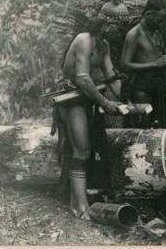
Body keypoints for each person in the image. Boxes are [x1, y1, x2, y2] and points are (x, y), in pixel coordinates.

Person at [55, 11, 124, 220]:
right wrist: (105, 102)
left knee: (88, 149)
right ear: (102, 22)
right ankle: (80, 207)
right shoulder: (84, 39)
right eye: (112, 22)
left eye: (119, 23)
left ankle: (77, 201)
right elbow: (83, 79)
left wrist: (123, 102)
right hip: (71, 98)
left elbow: (111, 76)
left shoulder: (104, 46)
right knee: (82, 149)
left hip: (87, 97)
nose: (115, 27)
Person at [120, 0, 166, 128]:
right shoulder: (134, 34)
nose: (161, 24)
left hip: (160, 89)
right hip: (142, 92)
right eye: (159, 20)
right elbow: (124, 65)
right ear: (148, 14)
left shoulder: (156, 32)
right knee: (144, 131)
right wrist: (155, 64)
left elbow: (158, 56)